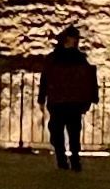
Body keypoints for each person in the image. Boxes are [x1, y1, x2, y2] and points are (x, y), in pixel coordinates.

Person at [37, 26, 99, 169]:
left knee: (74, 131)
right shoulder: (54, 58)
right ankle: (62, 158)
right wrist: (42, 97)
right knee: (57, 131)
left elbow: (86, 78)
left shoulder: (78, 59)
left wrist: (89, 97)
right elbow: (46, 78)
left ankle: (75, 159)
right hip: (59, 101)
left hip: (72, 101)